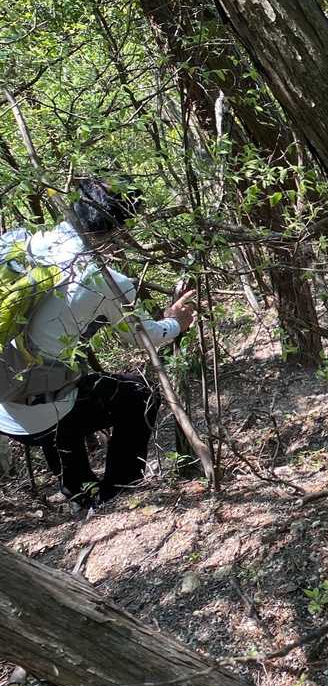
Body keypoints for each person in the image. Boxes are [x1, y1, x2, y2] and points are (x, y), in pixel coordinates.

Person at [0, 178, 196, 509]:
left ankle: (77, 490)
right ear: (119, 229)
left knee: (60, 383)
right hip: (43, 413)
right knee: (139, 395)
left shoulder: (24, 244)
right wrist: (175, 322)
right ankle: (117, 492)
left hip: (5, 406)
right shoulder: (106, 281)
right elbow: (144, 338)